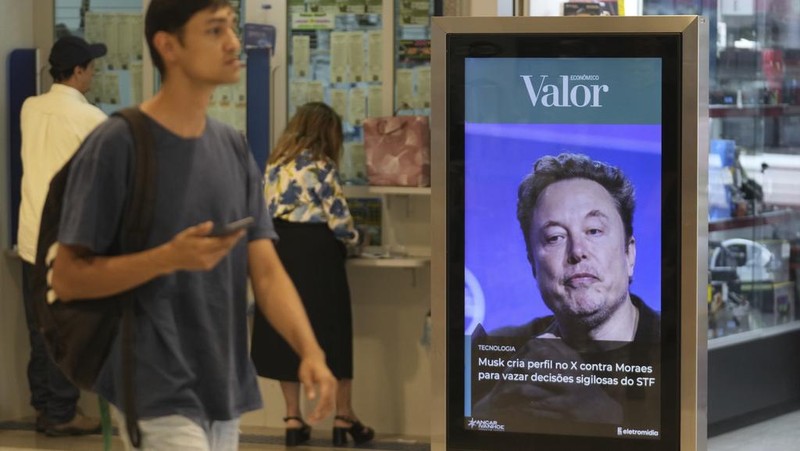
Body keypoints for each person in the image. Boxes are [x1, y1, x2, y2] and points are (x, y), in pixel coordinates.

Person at [50, 1, 337, 450]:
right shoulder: (119, 143)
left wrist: (311, 351)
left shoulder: (232, 148)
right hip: (153, 385)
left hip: (223, 388)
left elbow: (265, 270)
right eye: (214, 30)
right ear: (169, 46)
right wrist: (166, 258)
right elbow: (67, 277)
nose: (233, 43)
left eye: (232, 28)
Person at [471, 153, 660, 433]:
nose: (577, 251)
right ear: (533, 264)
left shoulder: (679, 349)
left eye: (594, 230)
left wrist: (605, 417)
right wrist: (492, 406)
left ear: (629, 253)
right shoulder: (499, 347)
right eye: (555, 237)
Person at [250, 102, 374, 447]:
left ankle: (292, 419)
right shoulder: (322, 167)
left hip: (277, 249)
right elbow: (340, 223)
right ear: (327, 133)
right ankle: (342, 417)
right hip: (317, 254)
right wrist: (356, 240)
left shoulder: (274, 166)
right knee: (333, 335)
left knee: (285, 333)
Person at [17, 35, 107, 437]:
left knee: (40, 325)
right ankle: (61, 412)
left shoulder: (30, 109)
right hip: (66, 240)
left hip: (30, 236)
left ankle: (45, 406)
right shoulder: (91, 119)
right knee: (65, 327)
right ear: (77, 72)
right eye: (91, 67)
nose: (94, 73)